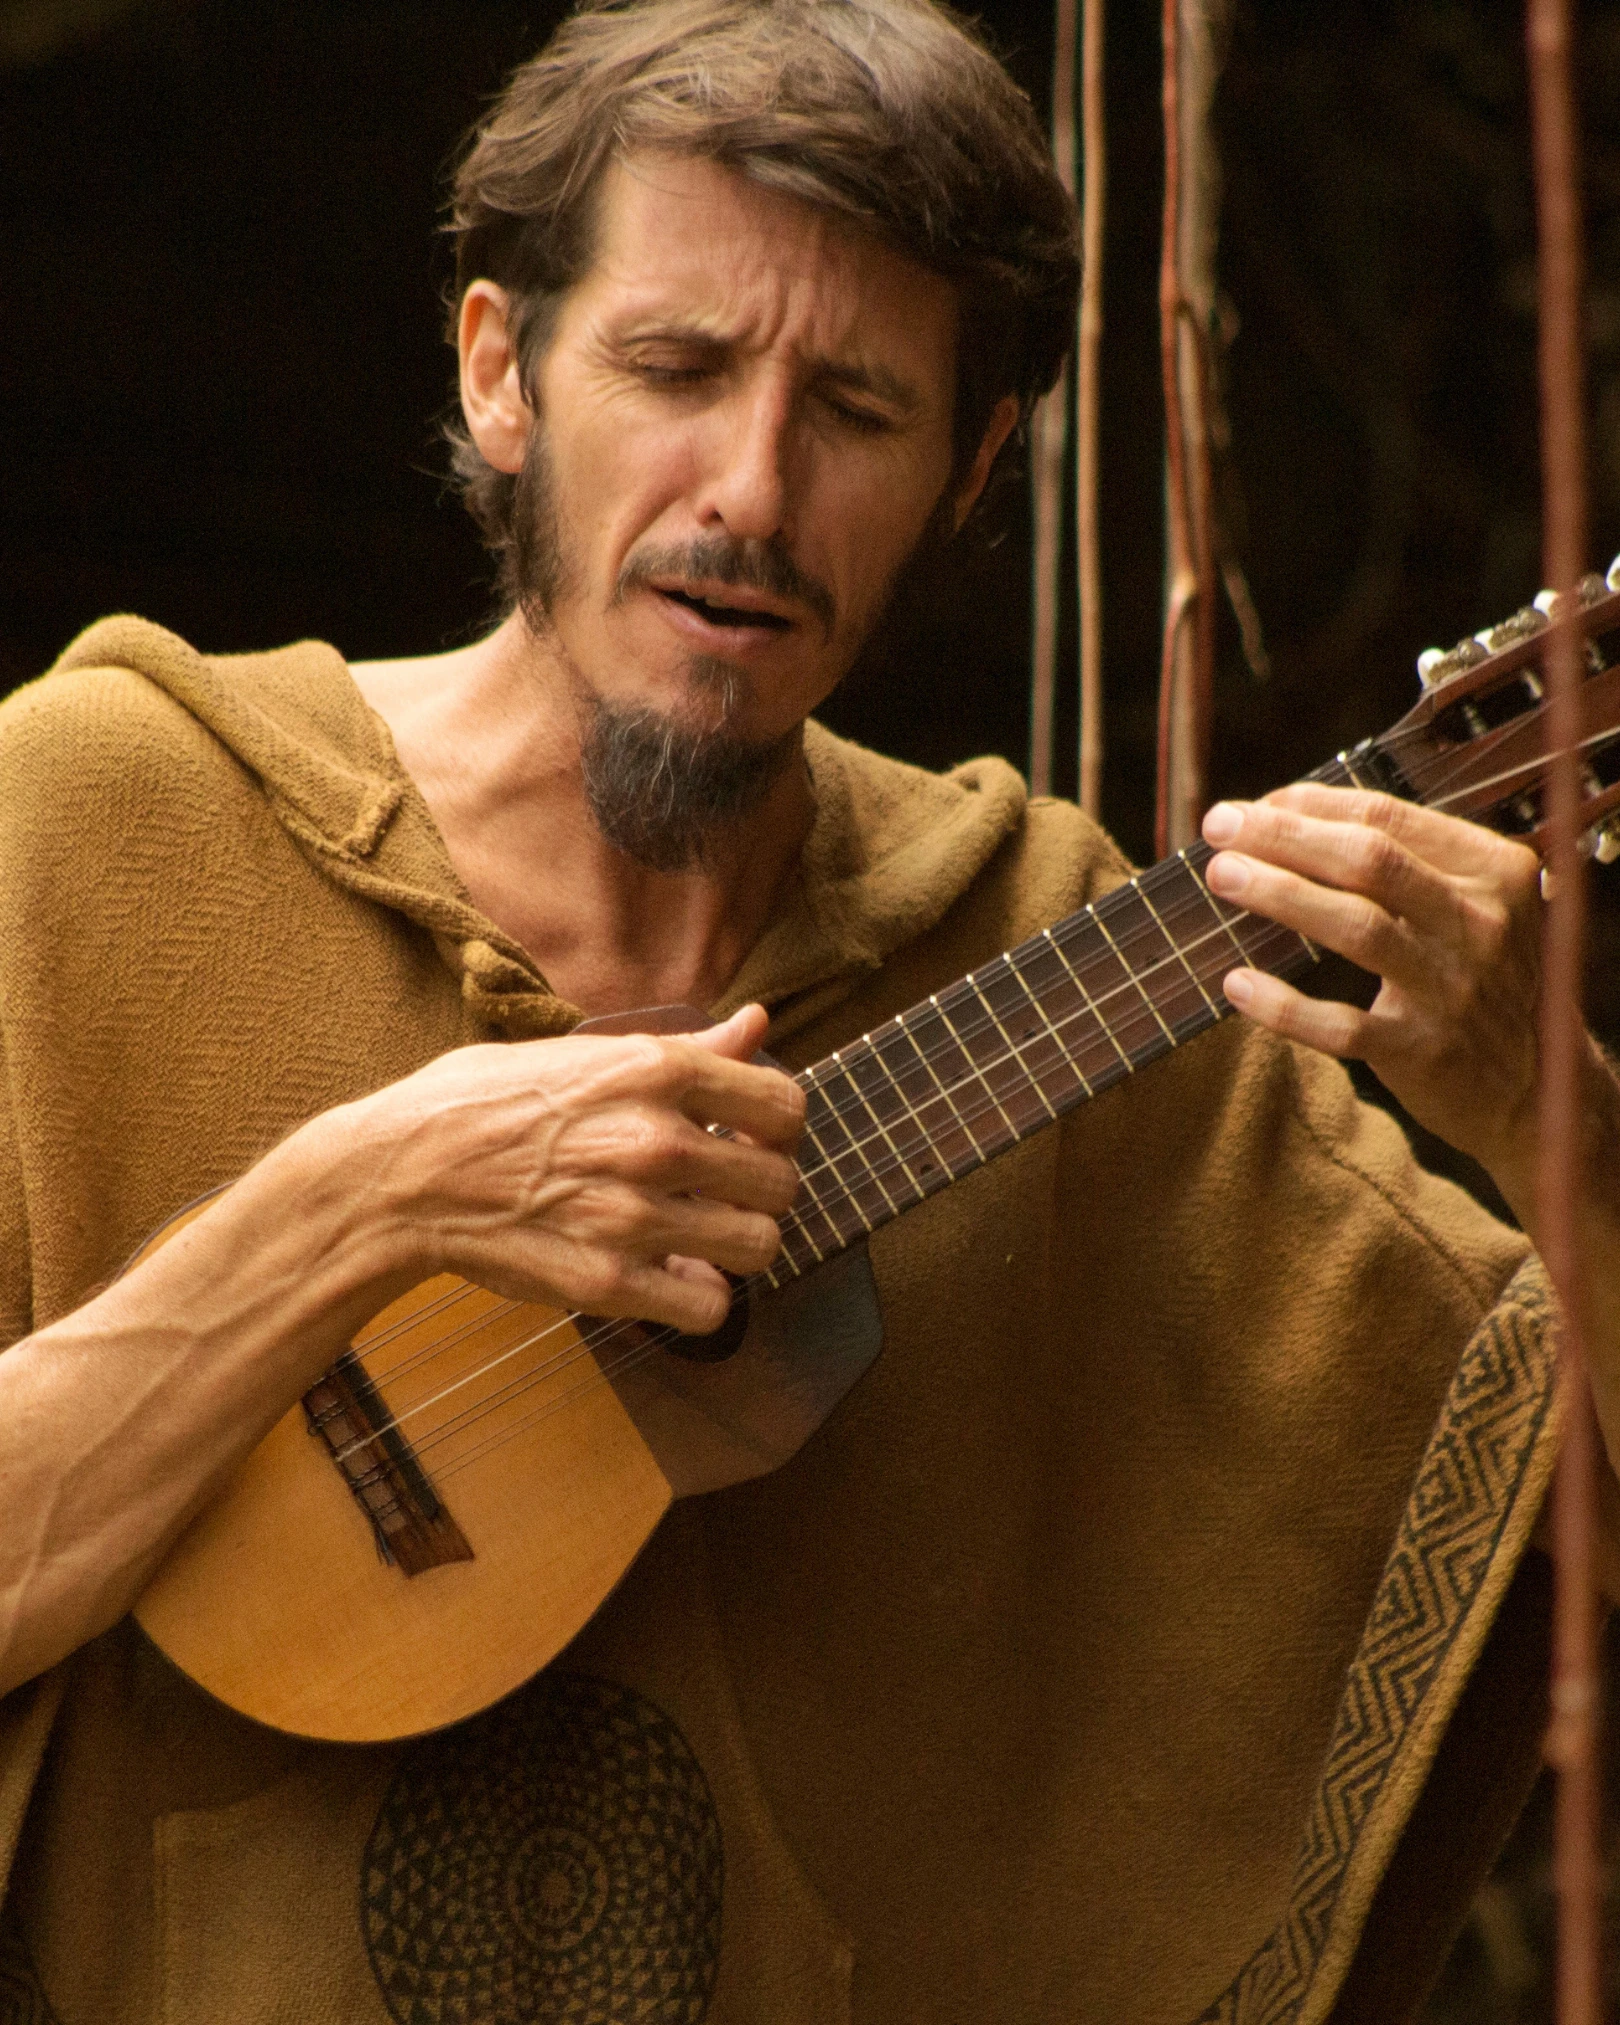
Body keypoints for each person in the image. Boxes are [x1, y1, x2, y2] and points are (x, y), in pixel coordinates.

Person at [1, 1, 1617, 2019]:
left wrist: (1559, 1115)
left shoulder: (1045, 950)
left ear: (973, 468)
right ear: (503, 372)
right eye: (677, 370)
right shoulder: (95, 827)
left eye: (856, 408)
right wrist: (360, 1197)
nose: (753, 492)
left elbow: (1556, 1523)